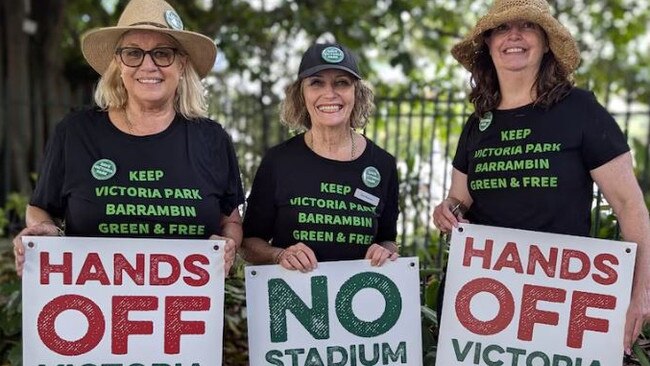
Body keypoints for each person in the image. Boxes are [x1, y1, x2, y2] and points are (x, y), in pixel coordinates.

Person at [431, 0, 650, 354]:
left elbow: (629, 205)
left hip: (557, 306)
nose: (513, 35)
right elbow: (460, 201)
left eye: (527, 26)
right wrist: (448, 210)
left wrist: (640, 292)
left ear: (546, 42)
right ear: (488, 43)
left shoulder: (580, 110)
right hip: (481, 302)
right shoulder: (478, 123)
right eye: (501, 28)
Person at [13, 0, 244, 276]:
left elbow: (231, 220)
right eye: (133, 53)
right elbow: (40, 208)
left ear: (182, 65)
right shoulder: (75, 133)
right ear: (118, 64)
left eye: (162, 53)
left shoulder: (212, 140)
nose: (148, 65)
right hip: (91, 309)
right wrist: (45, 232)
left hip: (187, 310)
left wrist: (229, 243)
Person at [240, 42, 400, 272]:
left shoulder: (382, 164)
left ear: (357, 93)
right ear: (301, 94)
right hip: (292, 300)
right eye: (316, 83)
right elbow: (248, 244)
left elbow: (388, 240)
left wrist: (385, 252)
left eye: (341, 83)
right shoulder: (279, 161)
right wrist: (279, 255)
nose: (329, 94)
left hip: (358, 301)